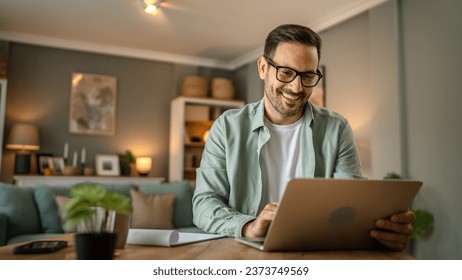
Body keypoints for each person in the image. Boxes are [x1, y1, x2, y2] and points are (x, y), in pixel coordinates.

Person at [192, 24, 415, 251]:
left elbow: (348, 207)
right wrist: (249, 226)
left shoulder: (337, 129)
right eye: (286, 72)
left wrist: (381, 230)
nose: (296, 87)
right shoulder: (227, 127)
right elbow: (204, 204)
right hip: (243, 255)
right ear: (262, 67)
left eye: (307, 75)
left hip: (315, 256)